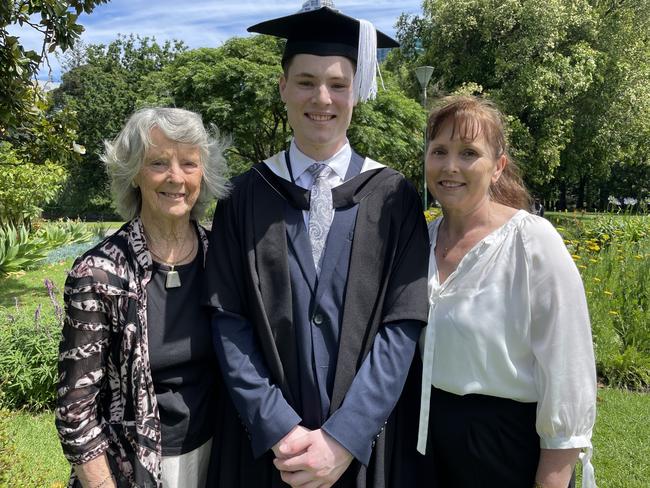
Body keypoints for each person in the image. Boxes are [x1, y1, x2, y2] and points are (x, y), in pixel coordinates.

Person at [203, 2, 429, 487]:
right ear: (283, 87)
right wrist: (279, 428)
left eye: (338, 84)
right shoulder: (243, 197)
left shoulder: (393, 196)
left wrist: (346, 436)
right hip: (267, 452)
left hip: (364, 450)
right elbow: (228, 320)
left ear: (356, 92)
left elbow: (402, 324)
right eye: (305, 81)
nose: (321, 98)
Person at [416, 96, 597, 488]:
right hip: (423, 448)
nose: (450, 167)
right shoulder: (419, 242)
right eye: (439, 151)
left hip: (501, 451)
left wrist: (552, 477)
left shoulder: (531, 243)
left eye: (469, 153)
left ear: (497, 167)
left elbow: (568, 371)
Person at [56, 107, 230, 488]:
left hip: (218, 458)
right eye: (158, 162)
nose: (176, 177)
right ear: (134, 172)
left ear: (204, 174)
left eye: (189, 163)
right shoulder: (100, 273)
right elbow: (75, 410)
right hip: (132, 469)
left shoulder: (221, 258)